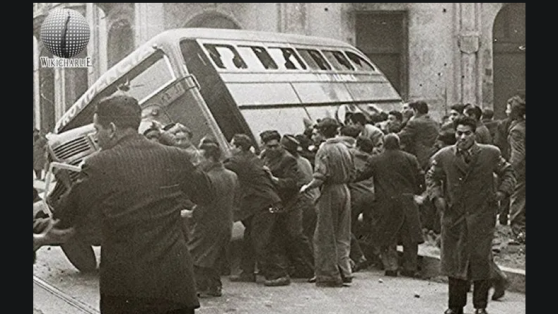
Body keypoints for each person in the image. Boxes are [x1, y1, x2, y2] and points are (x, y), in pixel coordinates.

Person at [53, 94, 215, 314]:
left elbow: (65, 213)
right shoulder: (175, 156)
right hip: (175, 284)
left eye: (97, 129)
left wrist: (66, 181)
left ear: (111, 128)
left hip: (127, 289)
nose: (97, 137)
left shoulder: (99, 163)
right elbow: (206, 195)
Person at [426, 116, 516, 314]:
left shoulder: (490, 154)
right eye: (459, 133)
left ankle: (480, 307)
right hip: (454, 217)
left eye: (467, 133)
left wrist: (501, 193)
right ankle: (455, 306)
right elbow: (431, 177)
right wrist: (437, 197)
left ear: (475, 134)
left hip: (481, 216)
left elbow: (508, 173)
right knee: (455, 262)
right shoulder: (444, 156)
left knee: (480, 262)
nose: (462, 137)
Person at [355, 134, 424, 277]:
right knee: (409, 235)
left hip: (385, 202)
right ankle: (410, 267)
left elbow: (361, 175)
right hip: (407, 201)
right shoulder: (411, 158)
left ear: (384, 145)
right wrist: (416, 191)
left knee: (387, 235)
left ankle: (391, 267)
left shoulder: (375, 160)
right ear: (399, 144)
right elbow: (420, 177)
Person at [223, 134, 286, 286]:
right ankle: (247, 271)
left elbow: (218, 167)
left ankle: (278, 274)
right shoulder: (252, 157)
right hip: (269, 204)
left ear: (238, 147)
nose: (230, 149)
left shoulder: (239, 161)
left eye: (232, 146)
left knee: (260, 239)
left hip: (264, 205)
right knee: (250, 237)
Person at [300, 118, 355, 287]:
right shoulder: (344, 147)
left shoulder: (325, 149)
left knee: (325, 234)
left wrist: (307, 187)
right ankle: (345, 271)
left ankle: (328, 274)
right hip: (345, 190)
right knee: (342, 233)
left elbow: (320, 176)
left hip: (330, 191)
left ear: (323, 132)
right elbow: (353, 172)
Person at [187, 137, 239, 298]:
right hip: (225, 222)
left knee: (195, 255)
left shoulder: (207, 178)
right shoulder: (232, 175)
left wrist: (191, 214)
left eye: (201, 159)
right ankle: (214, 286)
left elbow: (204, 204)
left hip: (206, 223)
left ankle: (198, 287)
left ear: (210, 158)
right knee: (215, 256)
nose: (198, 162)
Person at [260, 131, 315, 281]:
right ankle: (290, 267)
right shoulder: (264, 157)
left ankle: (312, 268)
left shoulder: (288, 160)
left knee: (296, 234)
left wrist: (274, 179)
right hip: (276, 204)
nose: (272, 149)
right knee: (275, 232)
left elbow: (293, 183)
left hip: (291, 205)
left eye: (275, 146)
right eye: (268, 146)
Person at [281, 134, 319, 255]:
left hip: (304, 204)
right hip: (315, 200)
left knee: (301, 236)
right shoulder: (304, 160)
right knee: (311, 236)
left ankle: (310, 265)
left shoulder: (291, 163)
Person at [397, 100, 440, 170]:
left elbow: (400, 136)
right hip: (434, 154)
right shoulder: (434, 121)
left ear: (416, 111)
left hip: (421, 157)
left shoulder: (415, 122)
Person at [506, 96, 526, 243]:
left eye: (508, 108)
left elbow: (517, 154)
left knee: (517, 199)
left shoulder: (517, 130)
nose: (506, 111)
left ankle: (518, 232)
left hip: (521, 171)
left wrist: (510, 172)